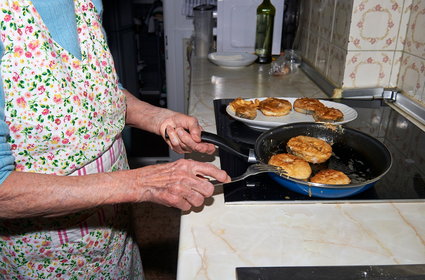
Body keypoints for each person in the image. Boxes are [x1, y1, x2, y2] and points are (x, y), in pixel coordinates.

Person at [0, 0, 229, 278]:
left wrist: (158, 118)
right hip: (45, 258)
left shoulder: (88, 2)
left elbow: (100, 89)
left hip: (114, 231)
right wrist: (142, 183)